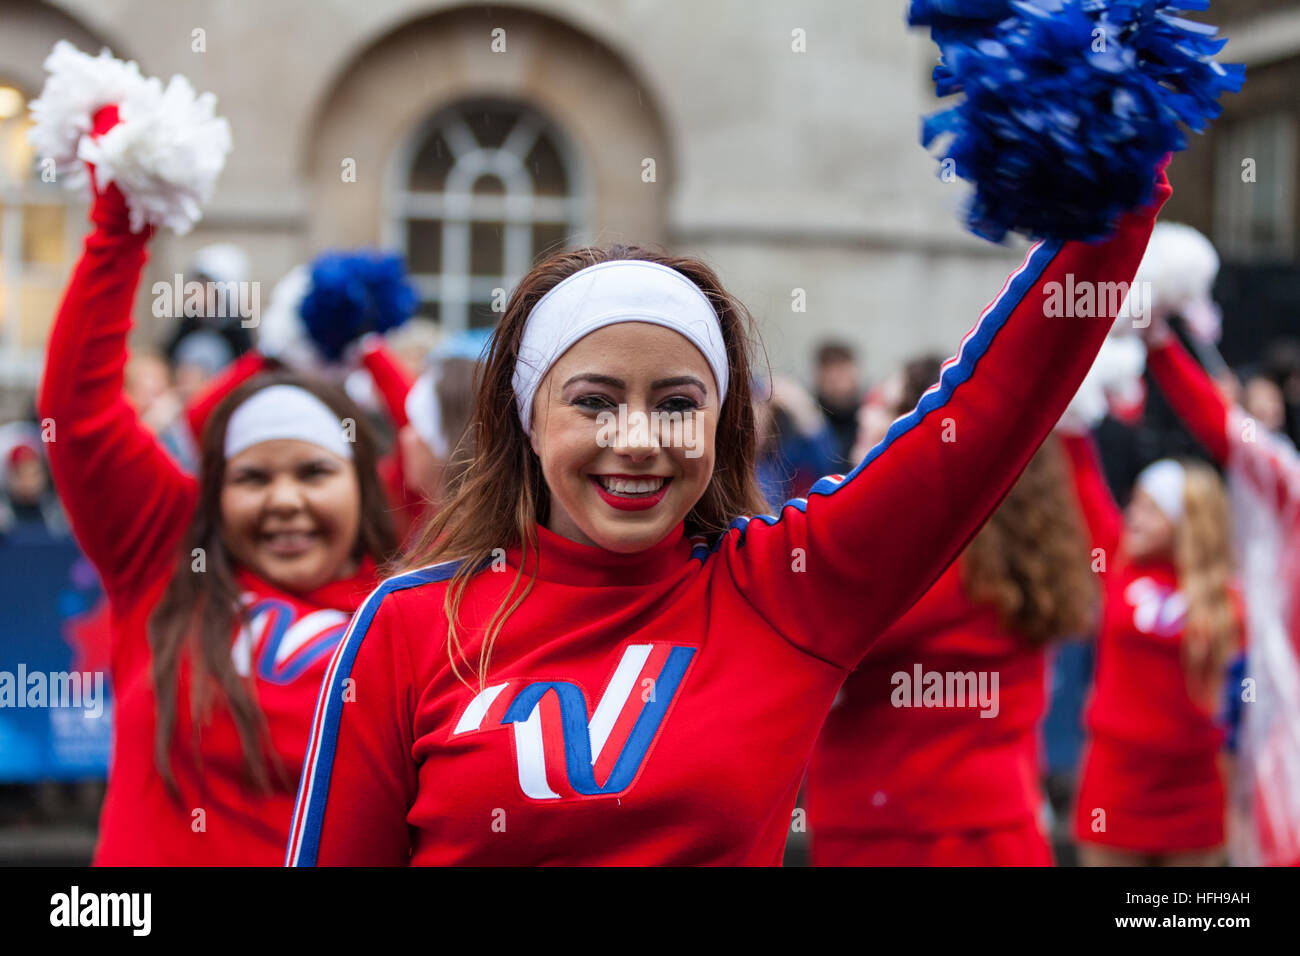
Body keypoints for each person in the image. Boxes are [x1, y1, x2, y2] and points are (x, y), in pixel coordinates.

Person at [286, 157, 1171, 865]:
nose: (637, 438)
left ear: (723, 421)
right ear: (527, 420)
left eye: (677, 402)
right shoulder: (407, 626)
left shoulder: (786, 590)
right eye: (592, 401)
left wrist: (1116, 170)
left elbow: (985, 415)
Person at [37, 111, 399, 864]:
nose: (285, 499)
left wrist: (369, 355)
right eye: (252, 477)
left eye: (315, 473)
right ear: (214, 494)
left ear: (366, 489)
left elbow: (451, 450)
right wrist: (123, 220)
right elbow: (80, 414)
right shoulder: (168, 569)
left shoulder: (410, 614)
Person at [805, 356, 1095, 866]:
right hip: (997, 823)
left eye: (885, 407)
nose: (868, 417)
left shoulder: (912, 563)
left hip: (893, 830)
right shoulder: (1015, 554)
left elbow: (802, 627)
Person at [1063, 430, 1243, 866]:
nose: (1134, 517)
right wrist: (1076, 424)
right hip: (1117, 778)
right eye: (1134, 504)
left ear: (1188, 522)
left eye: (1151, 509)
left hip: (1194, 783)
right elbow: (1085, 482)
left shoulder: (1228, 596)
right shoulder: (1119, 562)